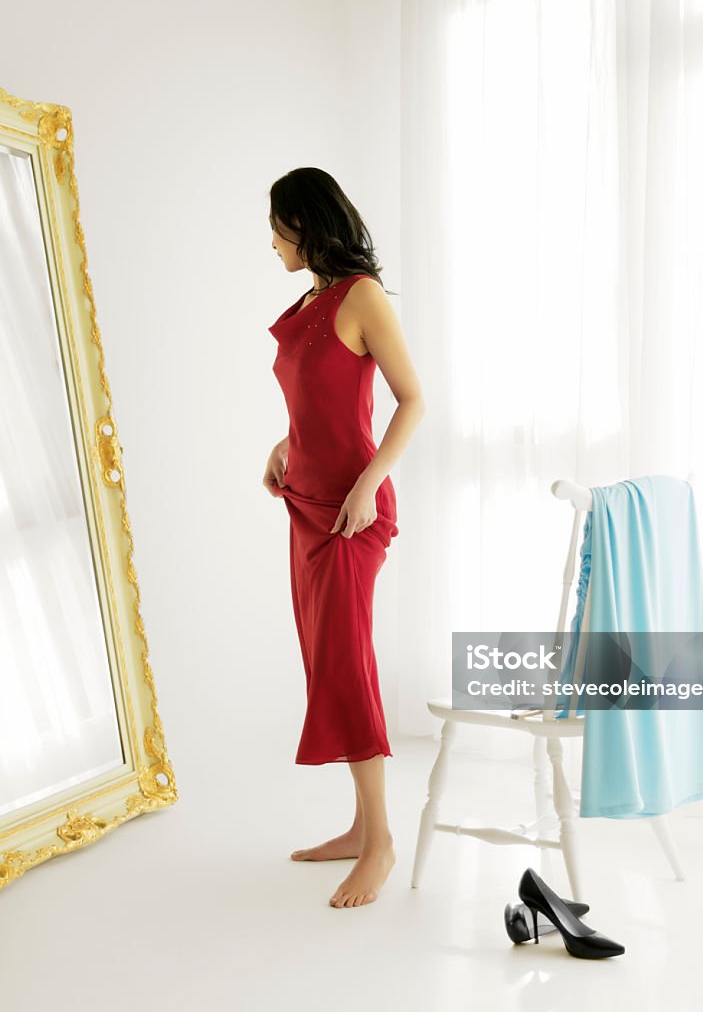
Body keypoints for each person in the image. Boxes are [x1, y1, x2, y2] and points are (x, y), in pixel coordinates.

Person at [264, 167, 425, 908]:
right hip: (306, 501)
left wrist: (367, 485)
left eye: (277, 226)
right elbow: (317, 401)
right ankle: (361, 830)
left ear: (305, 220)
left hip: (352, 513)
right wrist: (284, 445)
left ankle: (383, 841)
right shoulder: (309, 300)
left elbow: (412, 400)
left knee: (347, 663)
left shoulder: (361, 296)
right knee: (327, 660)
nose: (271, 242)